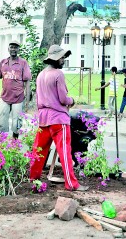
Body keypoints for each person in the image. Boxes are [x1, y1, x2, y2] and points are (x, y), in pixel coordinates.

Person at [30, 44, 89, 191]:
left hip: (43, 119)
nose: (64, 60)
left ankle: (34, 180)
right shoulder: (58, 74)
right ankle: (72, 184)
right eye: (62, 57)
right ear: (56, 59)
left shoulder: (40, 75)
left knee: (38, 152)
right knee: (65, 153)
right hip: (58, 120)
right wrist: (73, 101)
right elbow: (63, 99)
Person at [0, 40, 32, 138]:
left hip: (18, 98)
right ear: (8, 49)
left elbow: (27, 82)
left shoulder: (23, 63)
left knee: (16, 123)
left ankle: (14, 143)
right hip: (5, 97)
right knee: (2, 122)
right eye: (11, 47)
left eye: (16, 47)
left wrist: (27, 101)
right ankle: (1, 145)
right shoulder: (3, 62)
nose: (13, 49)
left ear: (18, 49)